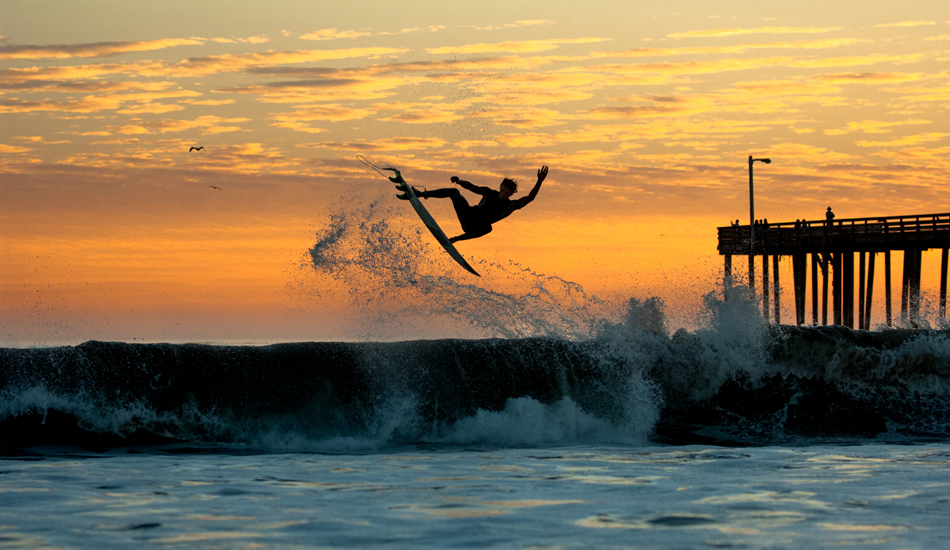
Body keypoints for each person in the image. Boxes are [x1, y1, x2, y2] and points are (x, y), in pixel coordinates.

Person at [408, 166, 549, 243]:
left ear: (511, 194)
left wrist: (540, 181)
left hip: (474, 227)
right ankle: (422, 194)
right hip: (467, 215)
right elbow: (473, 187)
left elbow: (530, 198)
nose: (502, 194)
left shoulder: (511, 206)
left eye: (506, 193)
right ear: (500, 188)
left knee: (488, 228)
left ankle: (456, 239)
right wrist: (459, 181)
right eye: (502, 191)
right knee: (454, 192)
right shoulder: (489, 193)